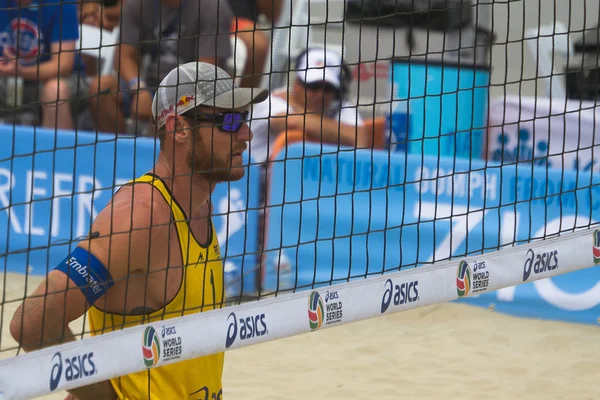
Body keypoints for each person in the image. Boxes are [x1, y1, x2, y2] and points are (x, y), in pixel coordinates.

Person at [9, 62, 268, 399]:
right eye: (230, 121)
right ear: (178, 128)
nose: (246, 134)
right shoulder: (140, 218)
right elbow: (32, 324)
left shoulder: (200, 206)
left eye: (244, 119)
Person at [87, 0, 233, 134]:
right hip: (146, 84)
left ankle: (158, 158)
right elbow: (123, 56)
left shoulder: (213, 7)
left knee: (168, 111)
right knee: (101, 88)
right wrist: (139, 88)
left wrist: (163, 103)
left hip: (193, 91)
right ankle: (116, 153)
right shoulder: (136, 4)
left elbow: (204, 72)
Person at [249, 47, 368, 164]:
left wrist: (299, 108)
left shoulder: (340, 107)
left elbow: (360, 138)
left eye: (327, 88)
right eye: (313, 86)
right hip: (251, 178)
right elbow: (291, 122)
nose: (320, 94)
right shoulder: (274, 100)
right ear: (297, 84)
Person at [0, 0, 85, 130]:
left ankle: (56, 149)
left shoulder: (62, 3)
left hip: (56, 79)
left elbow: (63, 65)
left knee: (55, 91)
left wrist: (21, 71)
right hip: (6, 79)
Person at [228, 0, 282, 88]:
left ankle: (244, 100)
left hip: (239, 20)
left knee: (256, 44)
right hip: (203, 13)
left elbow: (273, 14)